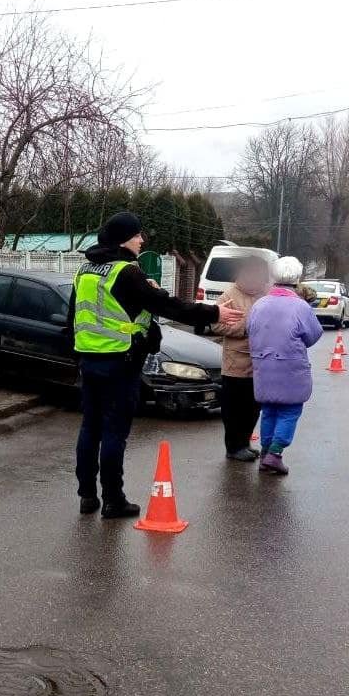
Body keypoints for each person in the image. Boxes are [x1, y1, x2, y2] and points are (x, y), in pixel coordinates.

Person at [72, 212, 240, 518]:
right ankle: (113, 500)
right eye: (137, 235)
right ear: (123, 239)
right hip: (120, 362)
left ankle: (87, 496)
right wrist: (214, 313)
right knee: (114, 433)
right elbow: (168, 306)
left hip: (89, 360)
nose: (141, 240)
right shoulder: (125, 272)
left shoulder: (86, 270)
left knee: (90, 429)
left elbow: (78, 315)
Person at [246, 268, 324, 476]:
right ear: (296, 279)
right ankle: (275, 454)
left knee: (269, 410)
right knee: (290, 410)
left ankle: (265, 453)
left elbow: (249, 330)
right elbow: (313, 334)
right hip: (291, 367)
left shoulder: (259, 304)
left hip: (263, 366)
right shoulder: (300, 306)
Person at [211, 259, 273, 461]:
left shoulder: (267, 294)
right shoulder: (229, 296)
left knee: (253, 408)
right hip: (235, 364)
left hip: (260, 364)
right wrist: (246, 327)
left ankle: (244, 443)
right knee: (233, 409)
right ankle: (233, 447)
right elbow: (215, 325)